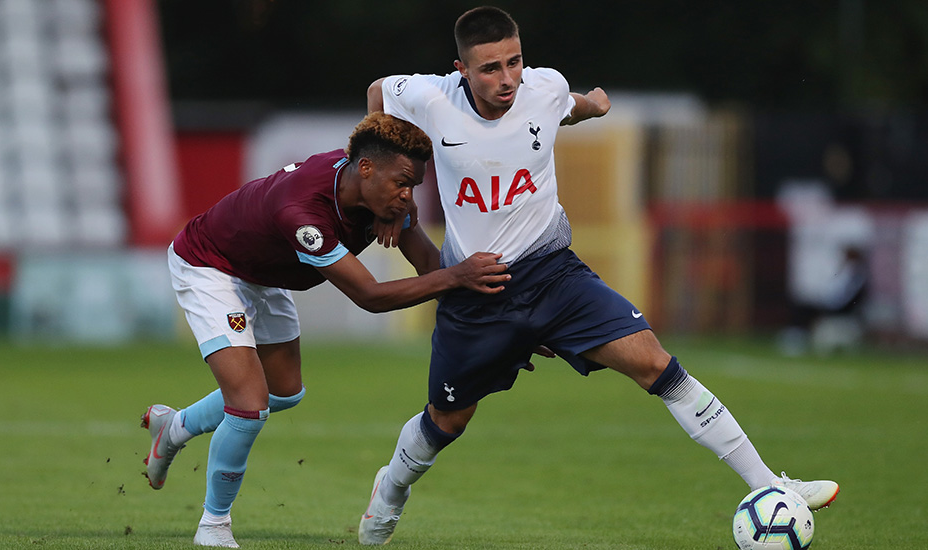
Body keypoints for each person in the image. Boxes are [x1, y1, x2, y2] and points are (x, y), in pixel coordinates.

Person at [357, 6, 839, 546]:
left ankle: (770, 485)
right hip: (478, 291)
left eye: (515, 62)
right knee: (445, 423)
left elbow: (569, 105)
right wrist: (387, 196)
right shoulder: (429, 97)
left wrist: (594, 105)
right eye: (490, 68)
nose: (508, 79)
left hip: (554, 274)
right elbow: (378, 93)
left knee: (656, 363)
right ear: (461, 69)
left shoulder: (543, 88)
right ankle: (391, 491)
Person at [141, 112, 511, 548]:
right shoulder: (303, 214)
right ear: (366, 169)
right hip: (210, 266)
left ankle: (175, 428)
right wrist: (457, 276)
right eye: (402, 183)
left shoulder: (375, 189)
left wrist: (509, 325)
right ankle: (213, 526)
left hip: (263, 272)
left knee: (283, 392)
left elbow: (430, 267)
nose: (408, 196)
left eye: (413, 187)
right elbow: (371, 296)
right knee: (249, 405)